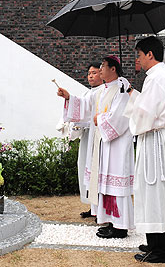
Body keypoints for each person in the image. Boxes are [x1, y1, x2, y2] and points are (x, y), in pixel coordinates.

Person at [57, 56, 134, 238]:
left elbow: (120, 117)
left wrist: (99, 119)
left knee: (116, 184)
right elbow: (85, 105)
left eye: (103, 67)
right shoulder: (101, 91)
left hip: (117, 145)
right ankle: (111, 221)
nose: (100, 70)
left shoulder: (122, 90)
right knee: (105, 184)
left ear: (113, 69)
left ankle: (121, 226)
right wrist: (69, 97)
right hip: (102, 144)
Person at [124, 36, 165, 263]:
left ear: (149, 54)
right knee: (152, 193)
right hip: (154, 138)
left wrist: (133, 110)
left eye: (138, 55)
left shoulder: (157, 78)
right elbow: (147, 107)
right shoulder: (158, 77)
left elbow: (145, 114)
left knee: (156, 192)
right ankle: (154, 241)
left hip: (154, 139)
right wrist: (131, 94)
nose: (137, 60)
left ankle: (160, 249)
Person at [66, 63, 103, 218]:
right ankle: (92, 206)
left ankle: (99, 208)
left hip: (98, 138)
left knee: (97, 171)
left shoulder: (103, 92)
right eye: (89, 73)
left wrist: (70, 98)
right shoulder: (88, 92)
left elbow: (87, 112)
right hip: (87, 137)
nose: (90, 76)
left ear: (102, 74)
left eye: (94, 73)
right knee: (85, 169)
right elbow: (81, 108)